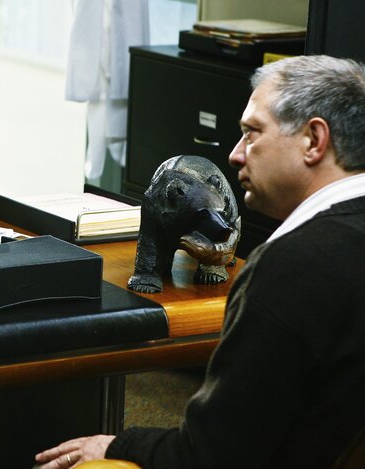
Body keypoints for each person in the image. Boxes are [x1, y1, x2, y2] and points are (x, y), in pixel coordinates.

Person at [35, 55, 365, 469]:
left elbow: (210, 455)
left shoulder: (291, 269)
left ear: (314, 140)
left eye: (252, 133)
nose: (235, 155)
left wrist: (116, 446)